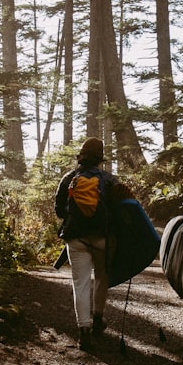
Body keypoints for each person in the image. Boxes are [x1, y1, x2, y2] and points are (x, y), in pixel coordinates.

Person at [55, 137, 120, 350]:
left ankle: (83, 331)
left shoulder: (69, 178)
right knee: (102, 278)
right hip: (102, 238)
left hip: (75, 238)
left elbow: (59, 210)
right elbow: (122, 209)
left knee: (80, 284)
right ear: (100, 159)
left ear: (81, 156)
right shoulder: (110, 179)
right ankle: (98, 319)